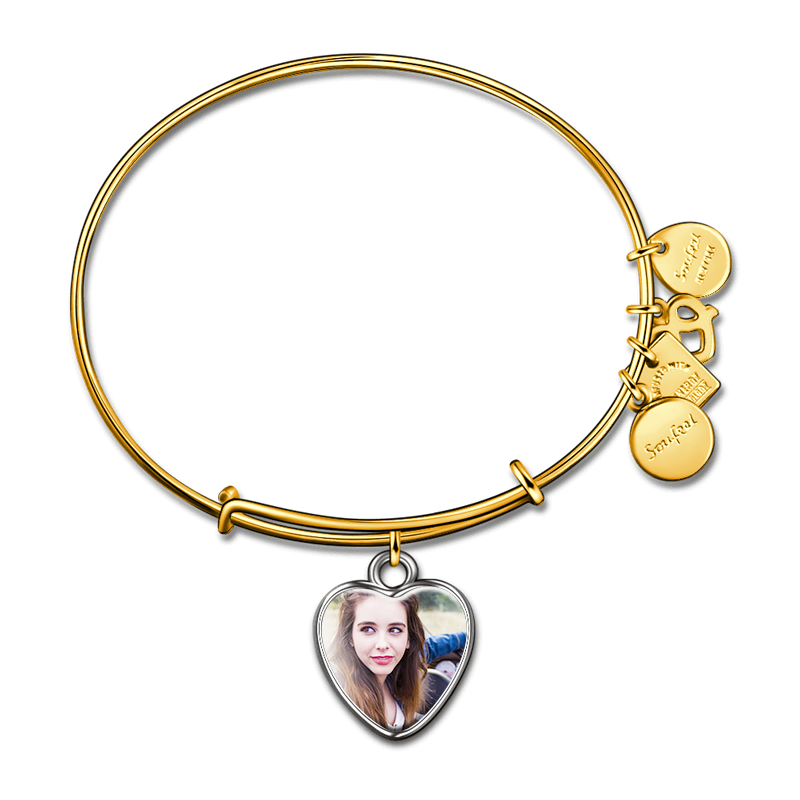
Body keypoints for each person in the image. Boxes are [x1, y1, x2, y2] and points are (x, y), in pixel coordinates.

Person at [325, 589, 466, 731]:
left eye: (395, 630)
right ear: (350, 637)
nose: (382, 645)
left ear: (408, 639)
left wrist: (466, 637)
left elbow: (430, 647)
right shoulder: (336, 686)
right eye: (367, 629)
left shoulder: (403, 664)